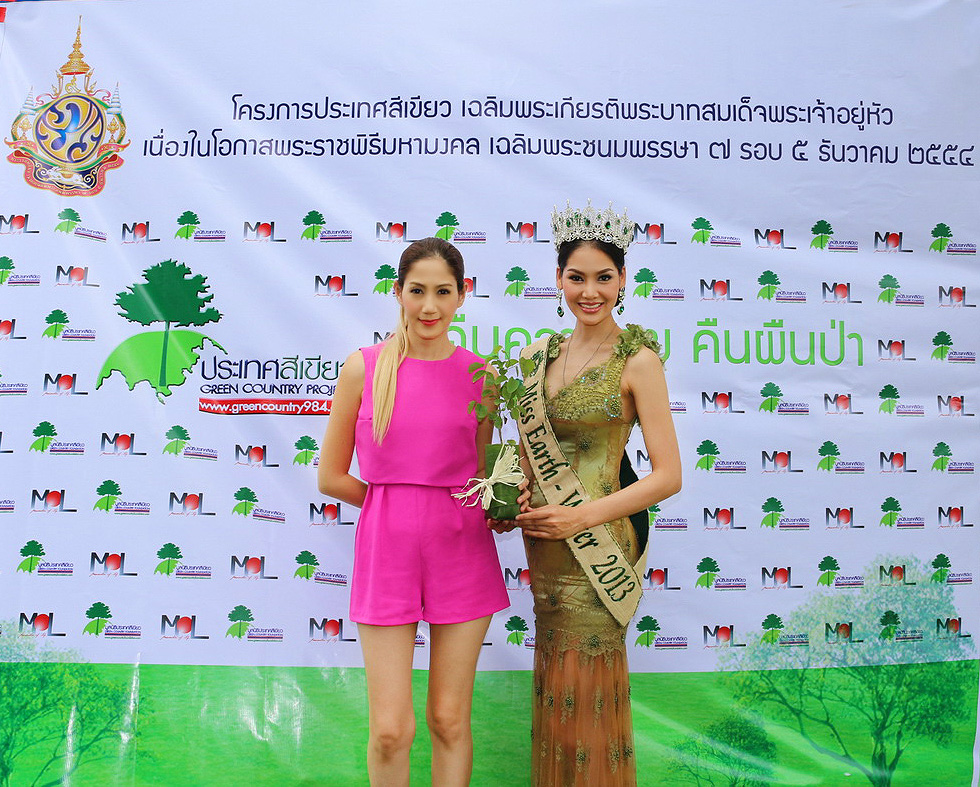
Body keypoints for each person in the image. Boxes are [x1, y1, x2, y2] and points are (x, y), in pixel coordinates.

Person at [318, 237, 509, 787]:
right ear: (398, 292)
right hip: (388, 551)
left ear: (462, 295)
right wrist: (396, 504)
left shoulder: (483, 377)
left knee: (449, 719)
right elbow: (331, 476)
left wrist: (495, 506)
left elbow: (481, 476)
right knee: (389, 731)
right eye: (418, 291)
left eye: (443, 292)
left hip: (462, 550)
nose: (430, 306)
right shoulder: (363, 368)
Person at [513, 201, 682, 786]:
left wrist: (579, 518)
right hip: (545, 547)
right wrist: (517, 496)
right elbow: (528, 458)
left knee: (588, 699)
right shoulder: (537, 357)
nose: (590, 292)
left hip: (599, 549)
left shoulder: (639, 361)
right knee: (557, 696)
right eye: (576, 277)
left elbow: (668, 476)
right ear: (558, 279)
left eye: (603, 278)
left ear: (623, 279)